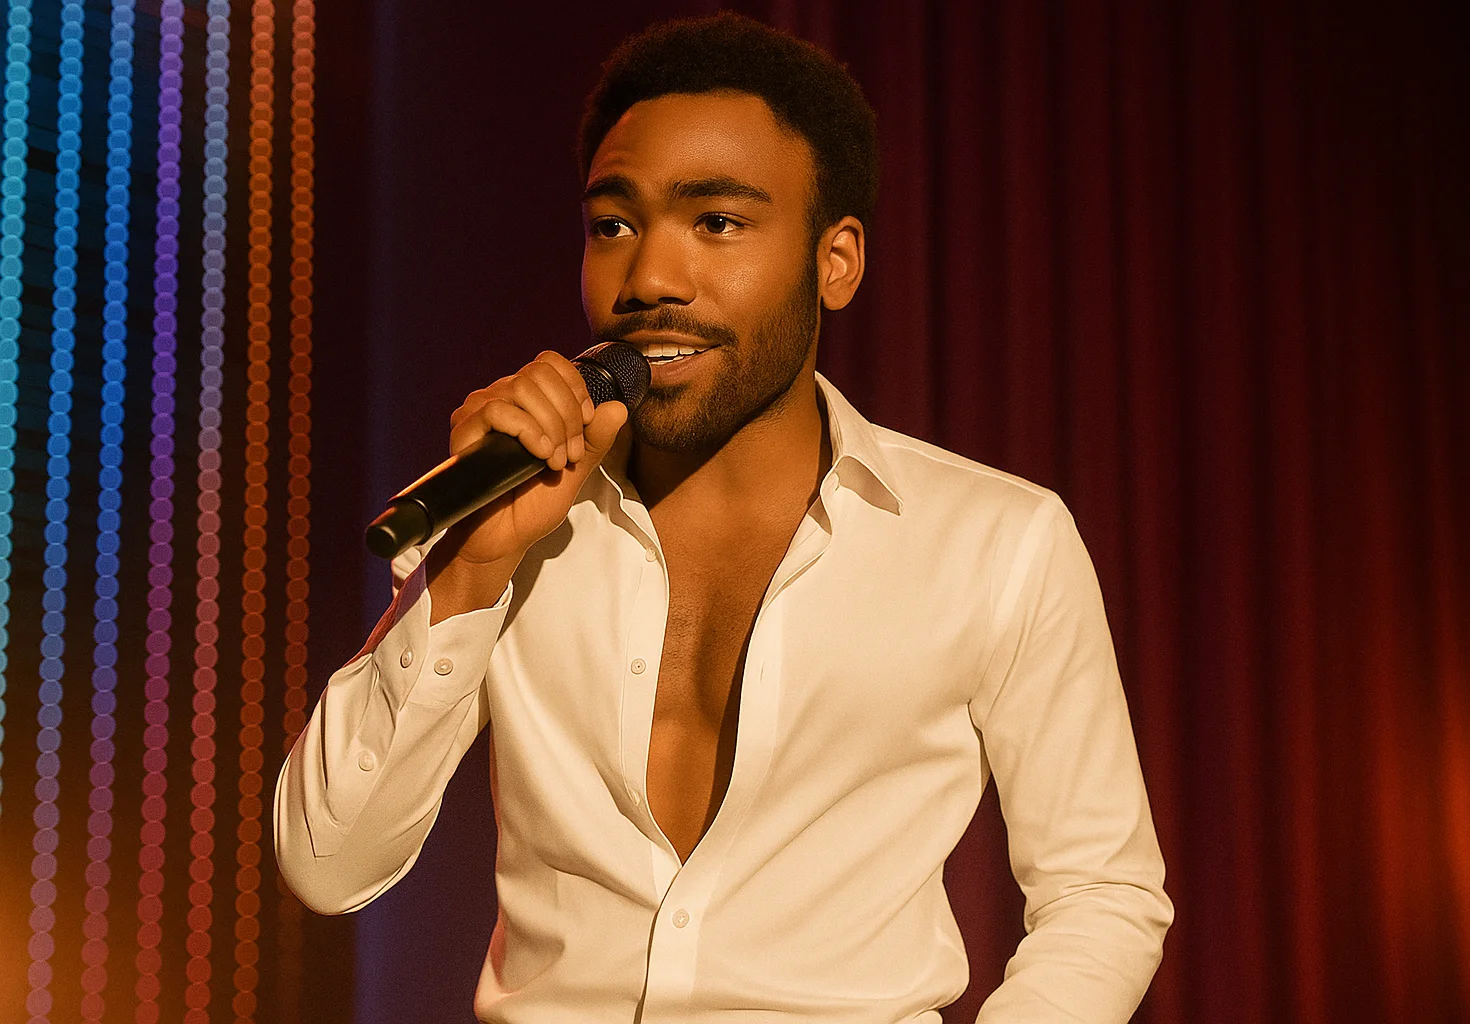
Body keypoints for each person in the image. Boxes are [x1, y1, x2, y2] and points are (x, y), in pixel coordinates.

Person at [275, 12, 1172, 1023]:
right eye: (614, 224)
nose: (650, 278)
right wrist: (473, 570)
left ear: (836, 260)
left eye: (717, 223)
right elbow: (325, 861)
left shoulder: (997, 541)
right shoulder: (514, 515)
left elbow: (1104, 892)